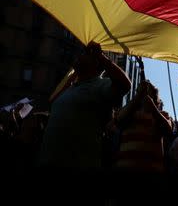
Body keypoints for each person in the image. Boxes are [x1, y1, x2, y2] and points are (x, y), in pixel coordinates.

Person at [39, 41, 131, 173]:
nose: (80, 55)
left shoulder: (100, 85)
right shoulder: (71, 87)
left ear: (95, 63)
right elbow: (52, 103)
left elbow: (125, 85)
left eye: (86, 53)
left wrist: (101, 56)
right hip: (48, 163)